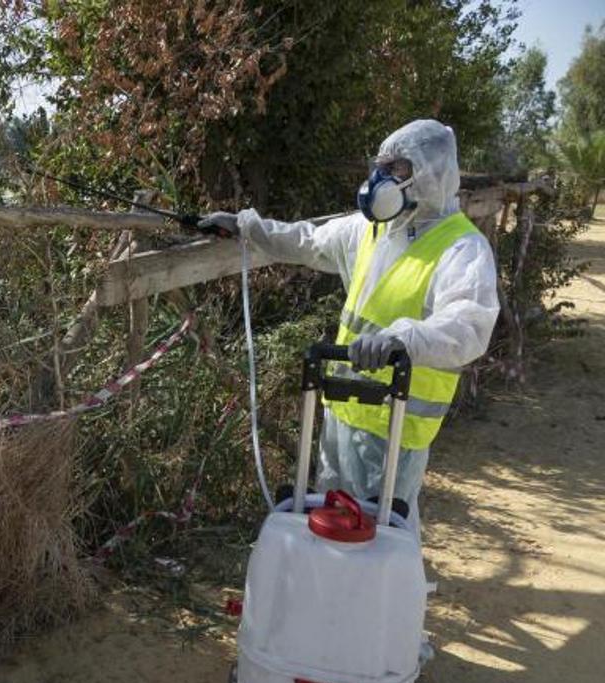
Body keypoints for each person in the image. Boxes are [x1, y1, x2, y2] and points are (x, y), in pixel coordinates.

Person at [200, 119, 499, 528]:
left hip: (395, 429)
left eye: (397, 169)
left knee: (382, 542)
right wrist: (246, 227)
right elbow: (305, 241)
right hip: (341, 416)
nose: (381, 180)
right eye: (381, 168)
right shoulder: (370, 232)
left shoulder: (462, 247)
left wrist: (402, 338)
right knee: (330, 528)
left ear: (431, 173)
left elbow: (469, 324)